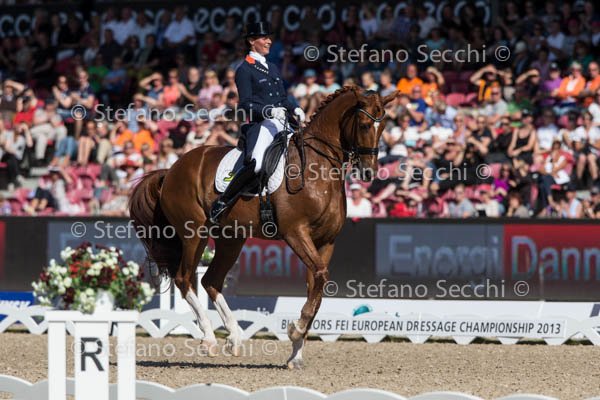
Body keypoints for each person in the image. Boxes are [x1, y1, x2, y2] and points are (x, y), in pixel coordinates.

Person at [209, 22, 305, 223]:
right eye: (264, 38)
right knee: (257, 164)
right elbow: (245, 104)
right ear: (252, 41)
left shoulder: (273, 67)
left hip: (283, 121)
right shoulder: (244, 69)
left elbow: (282, 98)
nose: (269, 41)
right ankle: (223, 201)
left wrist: (294, 108)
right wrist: (269, 110)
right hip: (261, 124)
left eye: (269, 37)